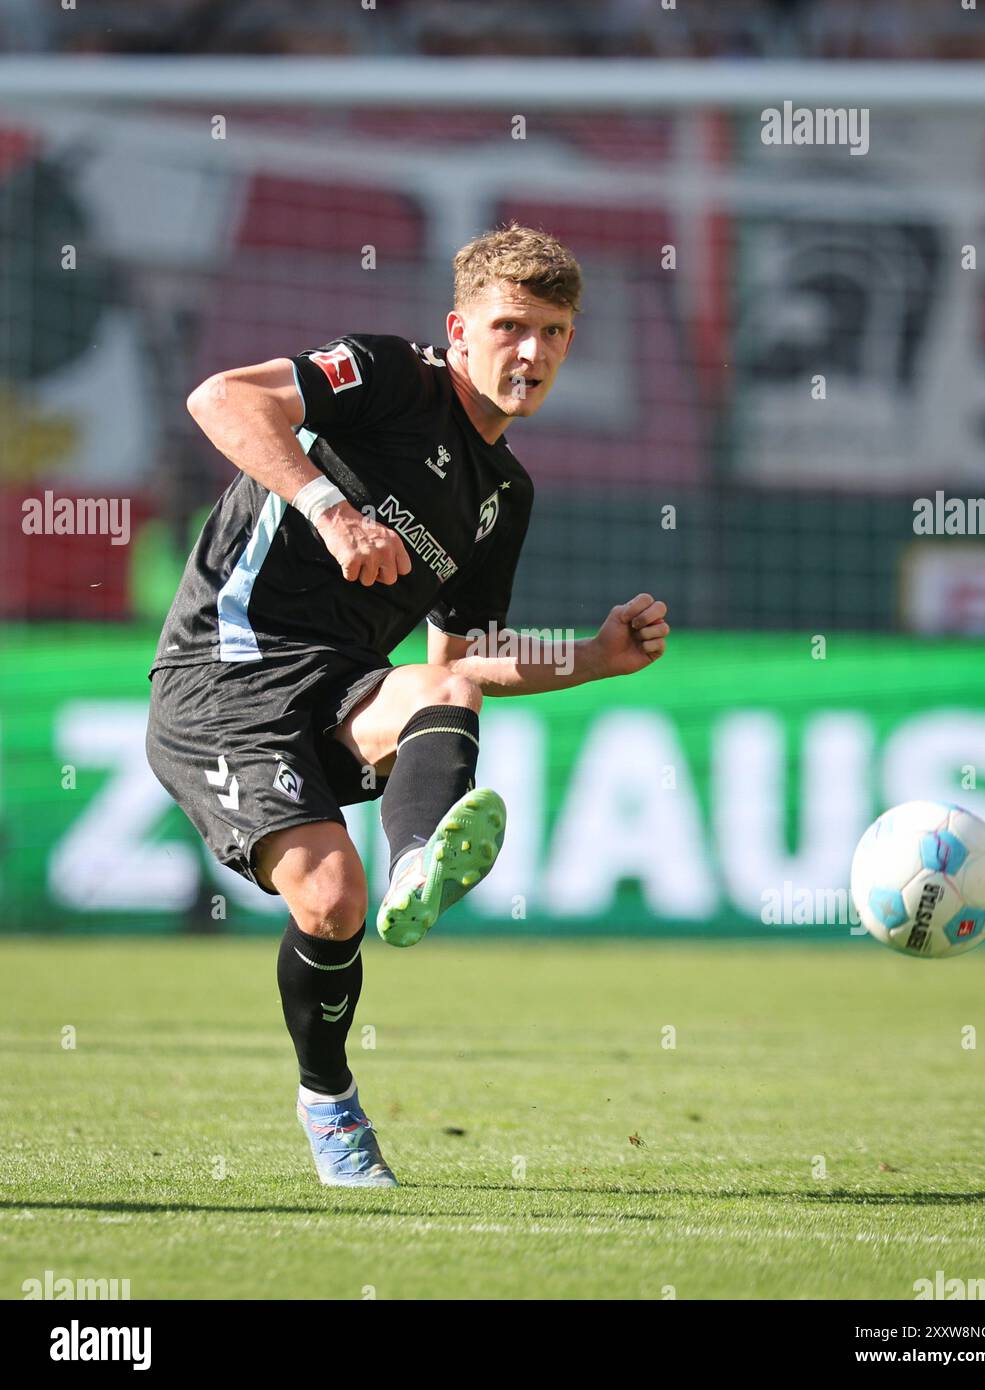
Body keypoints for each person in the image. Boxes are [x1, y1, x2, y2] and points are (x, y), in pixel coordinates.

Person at [145, 223, 670, 1188]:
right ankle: (328, 1103)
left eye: (555, 333)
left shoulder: (503, 494)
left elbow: (468, 657)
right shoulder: (393, 378)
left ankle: (419, 854)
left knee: (448, 685)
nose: (533, 353)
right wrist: (331, 510)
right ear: (457, 331)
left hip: (339, 687)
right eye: (511, 327)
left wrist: (592, 658)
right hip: (222, 675)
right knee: (330, 902)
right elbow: (220, 397)